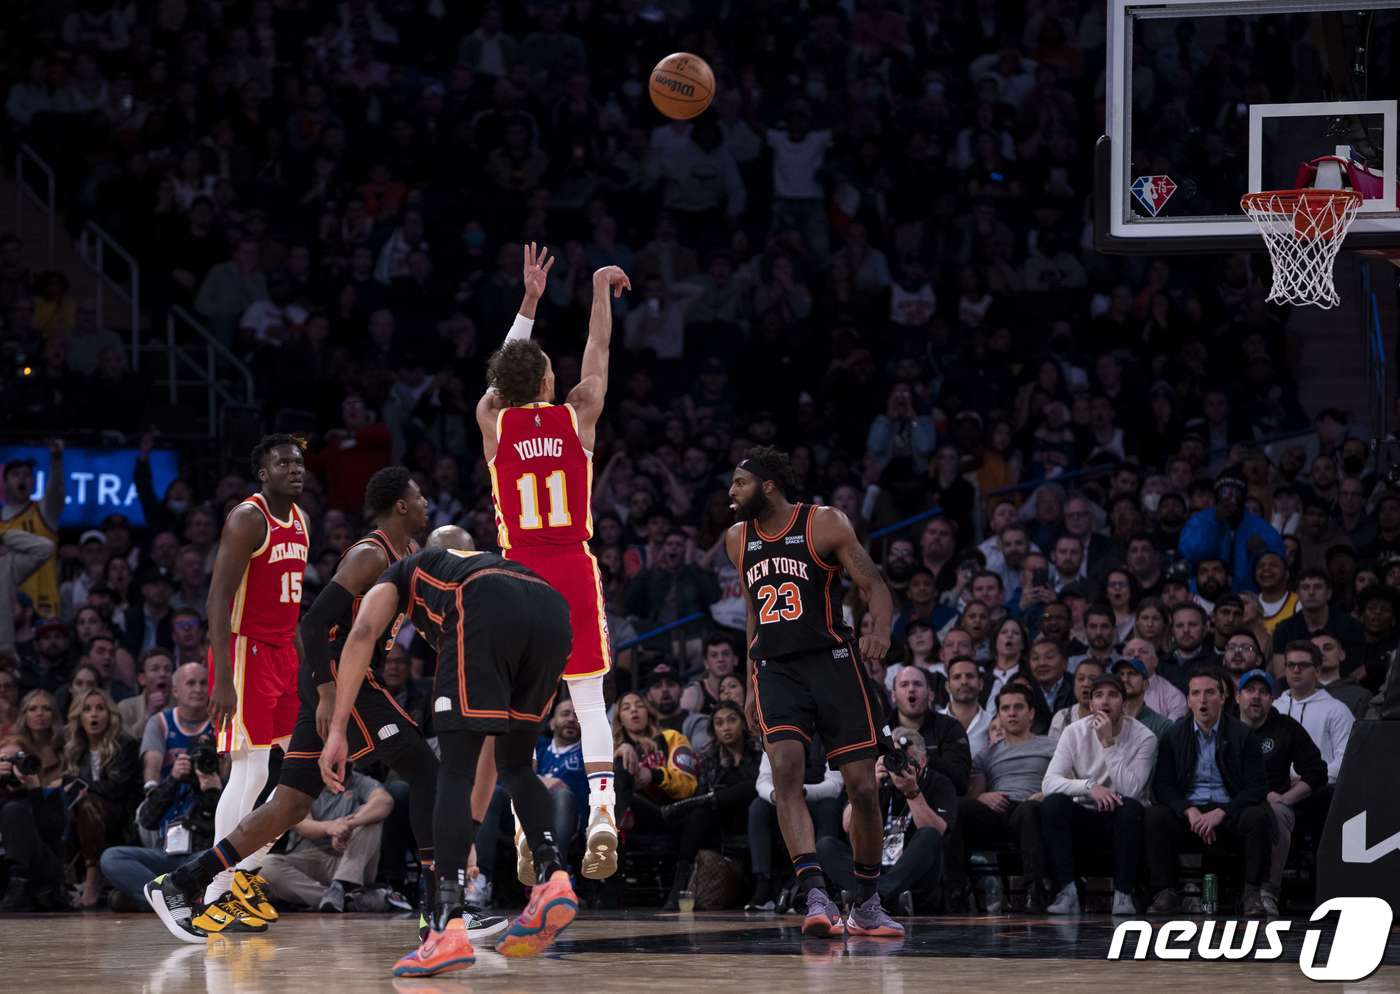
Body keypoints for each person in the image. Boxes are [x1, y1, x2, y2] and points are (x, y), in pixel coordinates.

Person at [146, 476, 509, 943]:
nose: (426, 502)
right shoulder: (369, 554)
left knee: (290, 803)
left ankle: (179, 883)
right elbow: (315, 623)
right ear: (399, 506)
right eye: (419, 497)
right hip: (341, 678)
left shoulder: (409, 555)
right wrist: (325, 694)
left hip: (354, 679)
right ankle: (441, 912)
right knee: (425, 773)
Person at [321, 533, 579, 975]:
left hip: (486, 603)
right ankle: (552, 877)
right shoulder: (477, 566)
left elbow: (362, 632)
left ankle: (446, 925)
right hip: (551, 610)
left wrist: (339, 729)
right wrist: (466, 839)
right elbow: (489, 764)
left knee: (450, 772)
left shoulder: (400, 573)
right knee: (515, 763)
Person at [477, 244, 631, 880]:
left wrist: (530, 304)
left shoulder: (493, 420)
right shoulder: (577, 414)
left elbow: (495, 383)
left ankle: (522, 823)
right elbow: (598, 352)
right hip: (570, 566)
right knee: (589, 702)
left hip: (516, 575)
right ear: (545, 381)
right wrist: (597, 291)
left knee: (523, 710)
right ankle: (602, 812)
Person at [726, 445, 903, 937]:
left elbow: (875, 585)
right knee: (785, 771)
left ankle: (866, 902)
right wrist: (748, 682)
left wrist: (880, 631)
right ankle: (815, 894)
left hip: (833, 663)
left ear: (768, 485)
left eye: (739, 483)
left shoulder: (824, 522)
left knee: (864, 789)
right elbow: (750, 614)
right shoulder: (737, 538)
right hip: (775, 668)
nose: (731, 492)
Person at [201, 435, 310, 910]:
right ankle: (214, 889)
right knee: (250, 771)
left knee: (298, 774)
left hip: (284, 653)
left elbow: (292, 603)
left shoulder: (302, 520)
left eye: (299, 463)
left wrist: (305, 669)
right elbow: (218, 598)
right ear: (263, 473)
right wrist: (223, 677)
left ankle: (244, 874)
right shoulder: (248, 518)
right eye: (283, 463)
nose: (295, 469)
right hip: (246, 653)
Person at [1144, 668, 1274, 916]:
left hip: (1229, 811)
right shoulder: (1174, 736)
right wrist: (1187, 810)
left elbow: (1257, 787)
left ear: (1223, 697)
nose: (1203, 700)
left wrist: (1222, 812)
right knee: (1155, 816)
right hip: (1190, 814)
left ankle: (1251, 893)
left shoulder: (1243, 735)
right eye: (1196, 693)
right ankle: (1165, 892)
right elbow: (1162, 786)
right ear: (1188, 700)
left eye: (1210, 693)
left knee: (1257, 817)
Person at [1040, 671, 1157, 915]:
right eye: (1099, 696)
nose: (1105, 701)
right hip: (1086, 811)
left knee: (1130, 808)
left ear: (1124, 705)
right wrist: (1089, 787)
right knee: (1053, 804)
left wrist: (1107, 744)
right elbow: (1049, 783)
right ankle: (1068, 892)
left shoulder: (1144, 737)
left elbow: (1132, 791)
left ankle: (1123, 895)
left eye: (1113, 695)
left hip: (1123, 816)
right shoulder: (1073, 732)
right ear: (1090, 703)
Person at [817, 727, 956, 918]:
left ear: (922, 761)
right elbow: (848, 826)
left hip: (912, 875)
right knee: (825, 845)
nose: (895, 765)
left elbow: (938, 831)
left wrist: (912, 792)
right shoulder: (877, 783)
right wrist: (869, 787)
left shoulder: (939, 783)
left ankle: (876, 897)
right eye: (891, 758)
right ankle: (879, 897)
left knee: (929, 834)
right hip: (873, 869)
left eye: (901, 758)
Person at [948, 685, 1053, 910]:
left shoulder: (1052, 745)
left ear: (1031, 713)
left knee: (1029, 809)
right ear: (999, 715)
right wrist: (982, 797)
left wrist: (1049, 793)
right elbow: (974, 792)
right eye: (1005, 709)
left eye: (1018, 707)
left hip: (1037, 808)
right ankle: (955, 890)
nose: (1012, 713)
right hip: (999, 810)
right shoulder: (986, 754)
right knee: (956, 805)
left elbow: (1066, 779)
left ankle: (1035, 891)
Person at [1235, 668, 1327, 918]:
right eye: (1250, 690)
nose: (1256, 697)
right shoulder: (1226, 725)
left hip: (1273, 802)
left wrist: (1287, 797)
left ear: (1272, 699)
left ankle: (1268, 891)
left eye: (1264, 692)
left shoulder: (1285, 727)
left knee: (1277, 813)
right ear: (1237, 697)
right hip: (1233, 802)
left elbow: (1317, 771)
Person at [659, 701, 761, 910]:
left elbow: (760, 788)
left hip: (754, 820)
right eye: (719, 723)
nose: (726, 727)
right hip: (720, 827)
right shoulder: (710, 759)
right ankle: (680, 883)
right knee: (698, 815)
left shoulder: (759, 753)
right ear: (713, 729)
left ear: (743, 724)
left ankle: (684, 806)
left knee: (750, 788)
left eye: (732, 720)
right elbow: (703, 790)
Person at [257, 769, 403, 912]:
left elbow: (384, 801)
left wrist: (350, 825)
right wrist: (329, 828)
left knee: (371, 818)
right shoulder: (304, 785)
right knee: (266, 865)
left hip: (352, 860)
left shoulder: (360, 781)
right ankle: (346, 900)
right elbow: (302, 825)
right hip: (311, 856)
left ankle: (341, 885)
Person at [62, 687, 142, 907]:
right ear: (79, 716)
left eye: (100, 709)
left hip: (120, 817)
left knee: (87, 804)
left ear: (110, 714)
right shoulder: (74, 750)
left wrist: (80, 784)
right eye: (87, 709)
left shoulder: (125, 745)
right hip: (85, 821)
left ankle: (92, 879)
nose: (94, 714)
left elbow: (117, 789)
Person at [1178, 467, 1286, 597]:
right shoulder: (1200, 520)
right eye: (1223, 493)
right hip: (1205, 596)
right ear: (1216, 496)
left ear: (1244, 497)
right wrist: (1215, 523)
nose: (1229, 499)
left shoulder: (1260, 528)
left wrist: (1262, 552)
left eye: (1235, 493)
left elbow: (1278, 564)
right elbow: (1189, 553)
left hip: (1247, 599)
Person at [0, 735, 68, 910]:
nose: (11, 767)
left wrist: (34, 790)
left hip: (40, 873)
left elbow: (53, 837)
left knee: (13, 810)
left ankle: (19, 884)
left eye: (17, 760)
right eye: (4, 761)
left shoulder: (48, 794)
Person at [0, 441, 65, 619]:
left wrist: (57, 461)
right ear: (4, 483)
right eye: (16, 474)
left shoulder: (44, 511)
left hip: (43, 609)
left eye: (27, 475)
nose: (22, 478)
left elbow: (56, 490)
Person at [1274, 641, 1354, 784]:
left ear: (1317, 671)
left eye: (1303, 665)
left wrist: (1308, 781)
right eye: (1291, 665)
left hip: (1322, 792)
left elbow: (1347, 758)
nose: (1296, 670)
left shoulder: (1337, 710)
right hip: (1275, 790)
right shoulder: (1273, 709)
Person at [1269, 570, 1364, 671]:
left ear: (1329, 593)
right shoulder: (1284, 629)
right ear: (1297, 594)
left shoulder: (1351, 626)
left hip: (1340, 685)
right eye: (1305, 588)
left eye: (1318, 587)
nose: (1311, 592)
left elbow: (1356, 671)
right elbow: (1281, 674)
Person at [140, 662, 212, 786]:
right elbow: (152, 766)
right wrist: (152, 793)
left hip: (213, 796)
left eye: (203, 683)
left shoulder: (221, 723)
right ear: (175, 691)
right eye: (191, 683)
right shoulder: (159, 722)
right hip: (170, 797)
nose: (198, 689)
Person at [939, 656, 992, 759]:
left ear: (980, 684)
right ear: (947, 686)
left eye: (970, 676)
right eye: (957, 677)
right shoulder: (934, 722)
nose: (964, 682)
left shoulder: (992, 723)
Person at [1120, 637, 1187, 719]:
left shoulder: (1173, 696)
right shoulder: (1111, 689)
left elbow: (1171, 731)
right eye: (1130, 653)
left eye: (1143, 652)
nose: (1136, 655)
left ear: (1155, 661)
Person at [1309, 632, 1371, 719]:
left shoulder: (1360, 696)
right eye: (1315, 650)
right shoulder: (1297, 693)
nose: (1321, 653)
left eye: (1328, 648)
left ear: (1342, 655)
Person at [1109, 658, 1175, 738]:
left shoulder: (1162, 725)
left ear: (1145, 684)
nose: (1125, 679)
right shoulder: (1107, 719)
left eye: (1132, 674)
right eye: (1121, 674)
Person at [680, 632, 739, 716]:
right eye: (714, 655)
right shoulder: (693, 693)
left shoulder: (749, 689)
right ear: (706, 663)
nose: (721, 659)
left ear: (735, 660)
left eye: (725, 654)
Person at [1048, 657, 1104, 739]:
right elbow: (1053, 750)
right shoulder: (1062, 717)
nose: (1085, 684)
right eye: (1081, 679)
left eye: (1093, 679)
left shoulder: (1113, 716)